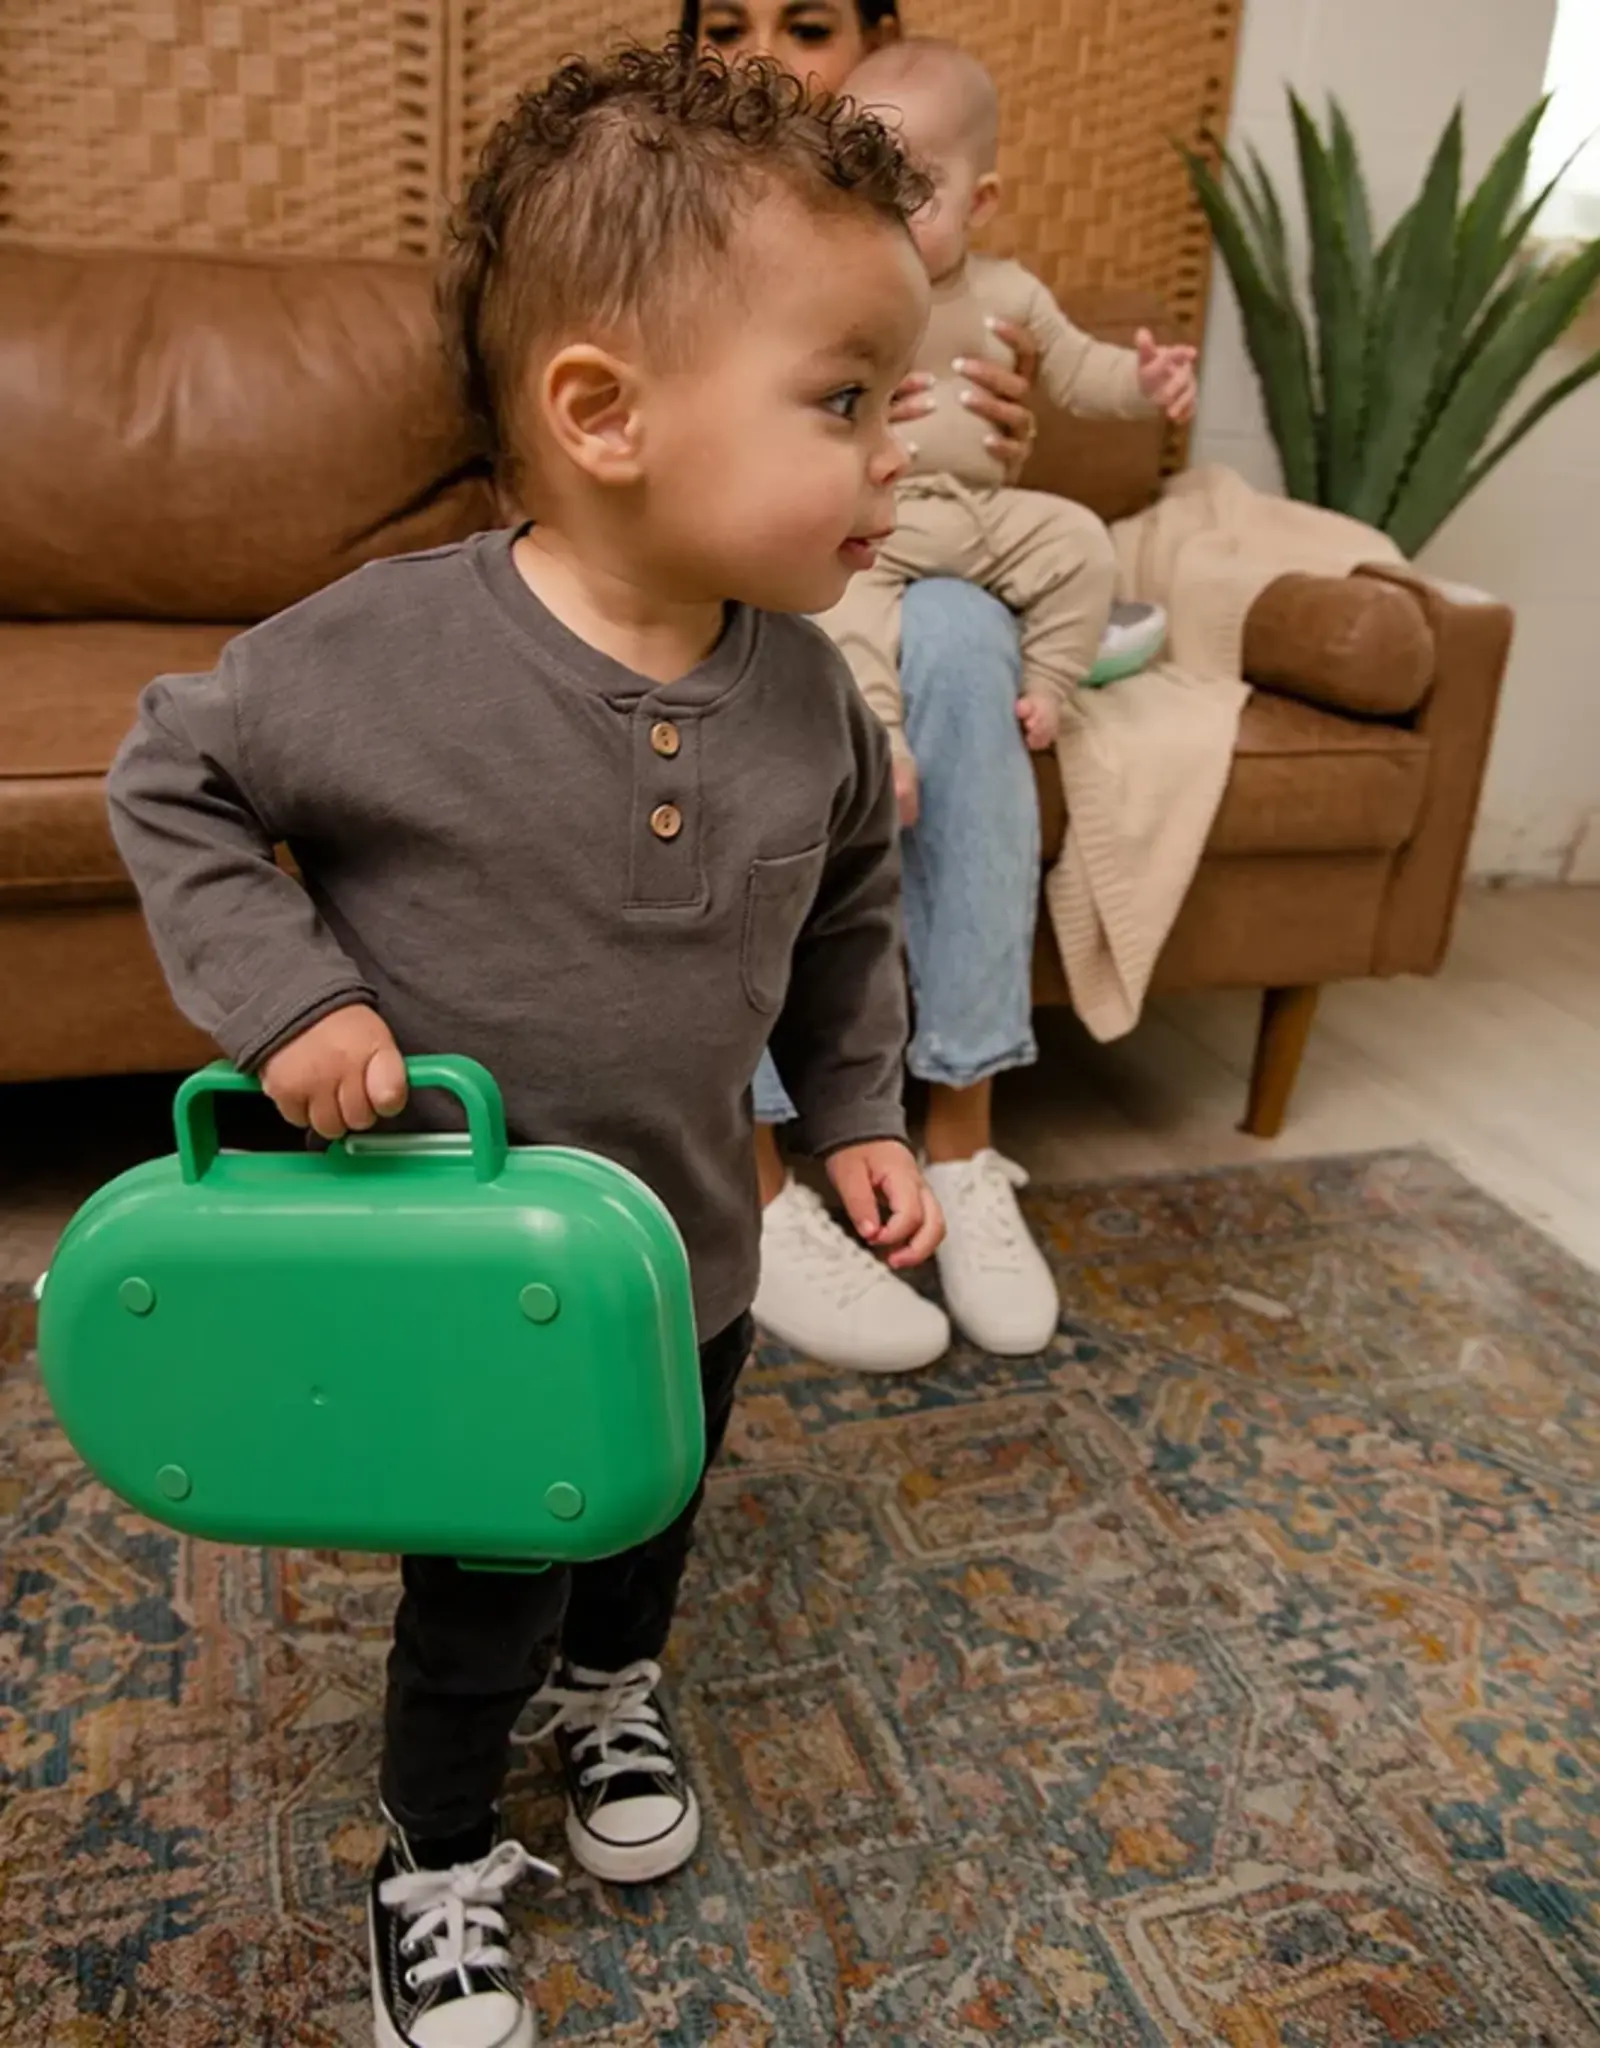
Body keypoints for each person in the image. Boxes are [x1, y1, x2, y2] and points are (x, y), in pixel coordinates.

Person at [106, 46, 942, 2048]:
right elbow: (171, 777)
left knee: (652, 1513)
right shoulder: (379, 657)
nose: (885, 461)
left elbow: (843, 921)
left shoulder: (810, 700)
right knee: (485, 1585)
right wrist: (295, 998)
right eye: (841, 403)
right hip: (468, 1278)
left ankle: (615, 1688)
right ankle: (434, 1847)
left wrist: (851, 1117)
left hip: (686, 1253)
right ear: (602, 411)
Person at [684, 0, 1073, 1372]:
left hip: (896, 550)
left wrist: (996, 426)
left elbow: (979, 452)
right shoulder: (669, 212)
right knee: (734, 665)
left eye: (805, 26)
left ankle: (959, 1142)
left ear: (877, 59)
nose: (765, 61)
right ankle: (761, 1175)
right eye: (724, 28)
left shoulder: (937, 253)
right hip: (736, 560)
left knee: (965, 634)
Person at [817, 39, 1198, 764]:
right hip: (881, 521)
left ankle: (1050, 682)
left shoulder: (1009, 294)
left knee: (1082, 541)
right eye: (864, 182)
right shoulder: (844, 300)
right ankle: (881, 740)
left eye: (916, 185)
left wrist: (1146, 384)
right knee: (845, 605)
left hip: (986, 516)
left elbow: (1082, 369)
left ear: (980, 201)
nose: (887, 208)